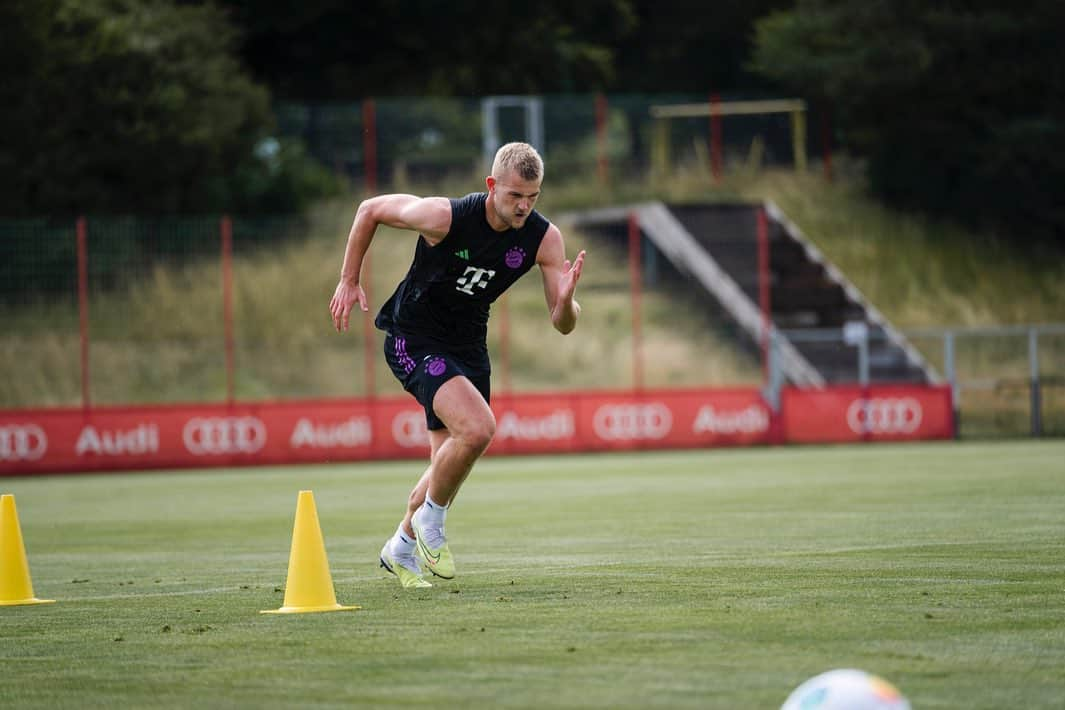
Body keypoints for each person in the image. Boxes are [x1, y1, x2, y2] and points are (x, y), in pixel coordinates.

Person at [329, 142, 585, 588]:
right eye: (514, 196)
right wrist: (349, 280)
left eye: (533, 197)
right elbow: (369, 209)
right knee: (480, 429)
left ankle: (401, 548)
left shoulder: (545, 239)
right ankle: (433, 526)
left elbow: (562, 325)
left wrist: (566, 304)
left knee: (447, 462)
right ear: (491, 186)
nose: (524, 206)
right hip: (415, 337)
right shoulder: (444, 217)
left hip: (467, 349)